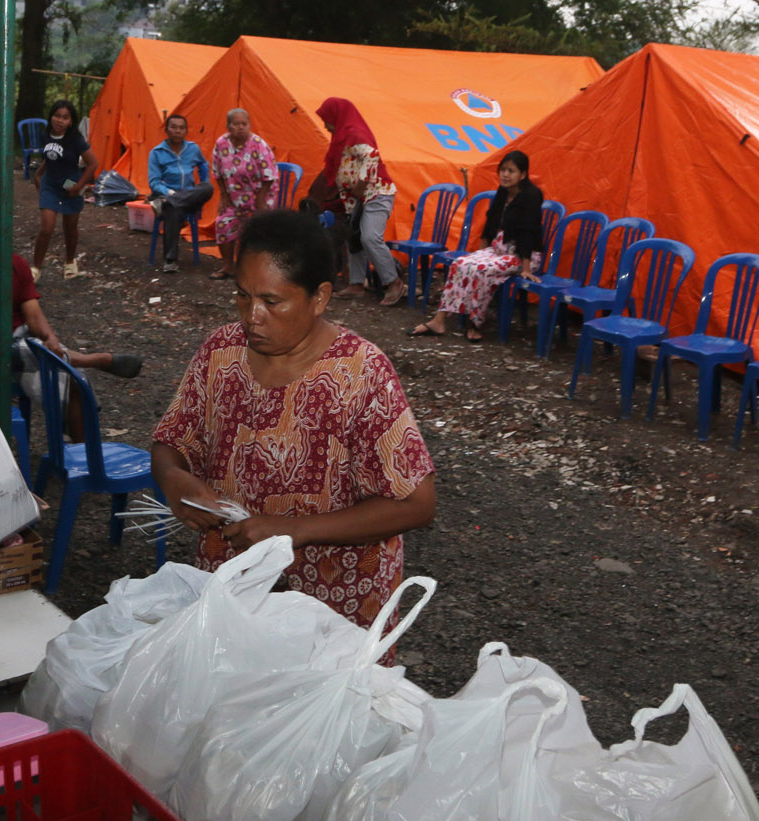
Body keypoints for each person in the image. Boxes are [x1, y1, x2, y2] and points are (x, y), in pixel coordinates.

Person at [152, 210, 436, 646]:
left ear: (319, 298)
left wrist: (291, 530)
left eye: (272, 301)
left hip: (335, 608)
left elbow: (416, 503)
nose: (252, 316)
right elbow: (170, 441)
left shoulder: (360, 373)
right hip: (235, 591)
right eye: (242, 295)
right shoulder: (221, 352)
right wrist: (174, 480)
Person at [0, 193, 142, 406]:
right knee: (36, 354)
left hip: (24, 345)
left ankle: (80, 426)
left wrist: (50, 337)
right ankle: (94, 359)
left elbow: (33, 315)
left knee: (73, 381)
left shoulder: (16, 264)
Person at [409, 150, 544, 343]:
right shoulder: (503, 191)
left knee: (481, 269)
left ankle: (475, 322)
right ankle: (439, 320)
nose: (505, 175)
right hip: (498, 251)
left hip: (522, 255)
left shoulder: (532, 196)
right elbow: (490, 224)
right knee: (460, 263)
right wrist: (481, 251)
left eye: (511, 171)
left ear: (523, 174)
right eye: (503, 170)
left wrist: (526, 268)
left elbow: (528, 232)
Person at [315, 97, 406, 306]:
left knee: (370, 238)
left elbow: (371, 155)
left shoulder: (353, 134)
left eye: (327, 120)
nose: (325, 126)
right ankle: (356, 284)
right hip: (358, 199)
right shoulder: (342, 137)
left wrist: (362, 183)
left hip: (376, 194)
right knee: (354, 239)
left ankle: (393, 282)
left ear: (336, 117)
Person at [31, 99, 98, 281]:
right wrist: (38, 174)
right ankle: (36, 268)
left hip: (71, 184)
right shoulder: (46, 135)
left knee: (70, 227)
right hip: (50, 184)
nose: (60, 120)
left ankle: (70, 262)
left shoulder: (75, 139)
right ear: (51, 116)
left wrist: (79, 186)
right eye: (57, 116)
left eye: (65, 117)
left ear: (70, 121)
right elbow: (51, 158)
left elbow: (93, 164)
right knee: (47, 228)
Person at [210, 108, 278, 280]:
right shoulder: (221, 144)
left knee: (258, 229)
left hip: (260, 195)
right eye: (236, 124)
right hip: (234, 196)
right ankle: (228, 266)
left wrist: (261, 200)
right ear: (228, 126)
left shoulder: (258, 144)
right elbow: (217, 172)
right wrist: (224, 196)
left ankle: (256, 270)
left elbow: (270, 175)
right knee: (222, 222)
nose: (241, 127)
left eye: (244, 124)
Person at [146, 114, 214, 273]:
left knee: (208, 188)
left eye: (182, 128)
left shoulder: (193, 149)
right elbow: (154, 183)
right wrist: (170, 193)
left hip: (188, 195)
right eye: (174, 127)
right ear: (166, 130)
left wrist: (204, 179)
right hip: (167, 195)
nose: (178, 131)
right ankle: (170, 259)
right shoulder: (157, 152)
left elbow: (203, 164)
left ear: (186, 131)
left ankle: (174, 200)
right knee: (173, 209)